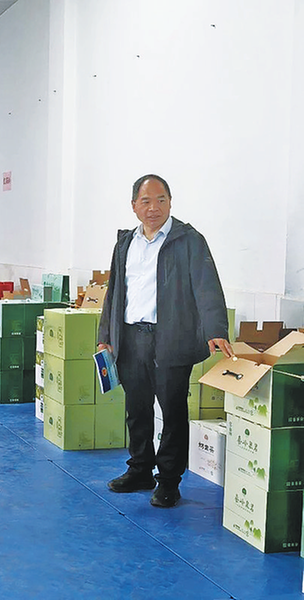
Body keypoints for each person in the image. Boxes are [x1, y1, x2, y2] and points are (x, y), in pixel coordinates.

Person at [98, 174, 233, 508]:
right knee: (137, 409)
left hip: (171, 338)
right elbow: (114, 293)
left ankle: (169, 481)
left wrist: (215, 329)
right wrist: (106, 337)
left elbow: (206, 286)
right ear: (134, 206)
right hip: (131, 337)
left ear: (170, 202)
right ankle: (140, 470)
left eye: (160, 200)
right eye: (145, 201)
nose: (153, 208)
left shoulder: (188, 240)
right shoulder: (125, 244)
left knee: (172, 411)